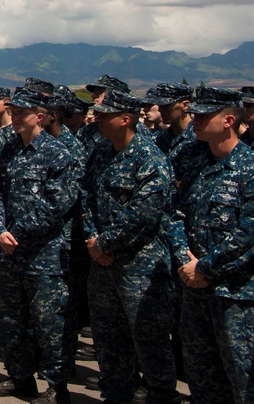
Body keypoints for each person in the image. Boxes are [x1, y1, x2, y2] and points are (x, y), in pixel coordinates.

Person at [81, 89, 178, 404]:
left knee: (148, 340)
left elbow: (143, 215)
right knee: (108, 339)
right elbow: (87, 198)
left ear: (125, 119)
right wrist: (95, 241)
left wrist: (104, 244)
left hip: (140, 267)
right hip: (103, 264)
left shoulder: (150, 159)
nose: (97, 119)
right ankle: (115, 394)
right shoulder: (101, 153)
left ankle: (161, 396)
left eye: (105, 115)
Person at [0, 88, 76, 404]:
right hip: (8, 251)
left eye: (23, 112)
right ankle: (19, 378)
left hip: (43, 254)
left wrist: (17, 232)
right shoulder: (7, 151)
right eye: (15, 111)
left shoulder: (57, 153)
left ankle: (55, 386)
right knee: (10, 319)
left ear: (39, 116)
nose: (17, 117)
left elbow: (56, 203)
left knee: (49, 322)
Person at [168, 86, 254, 404]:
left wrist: (204, 267)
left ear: (228, 120)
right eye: (195, 115)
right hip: (194, 288)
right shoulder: (193, 162)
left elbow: (248, 234)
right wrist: (184, 260)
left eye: (204, 116)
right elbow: (174, 213)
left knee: (243, 379)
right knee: (201, 376)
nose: (196, 121)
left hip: (236, 295)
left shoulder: (249, 168)